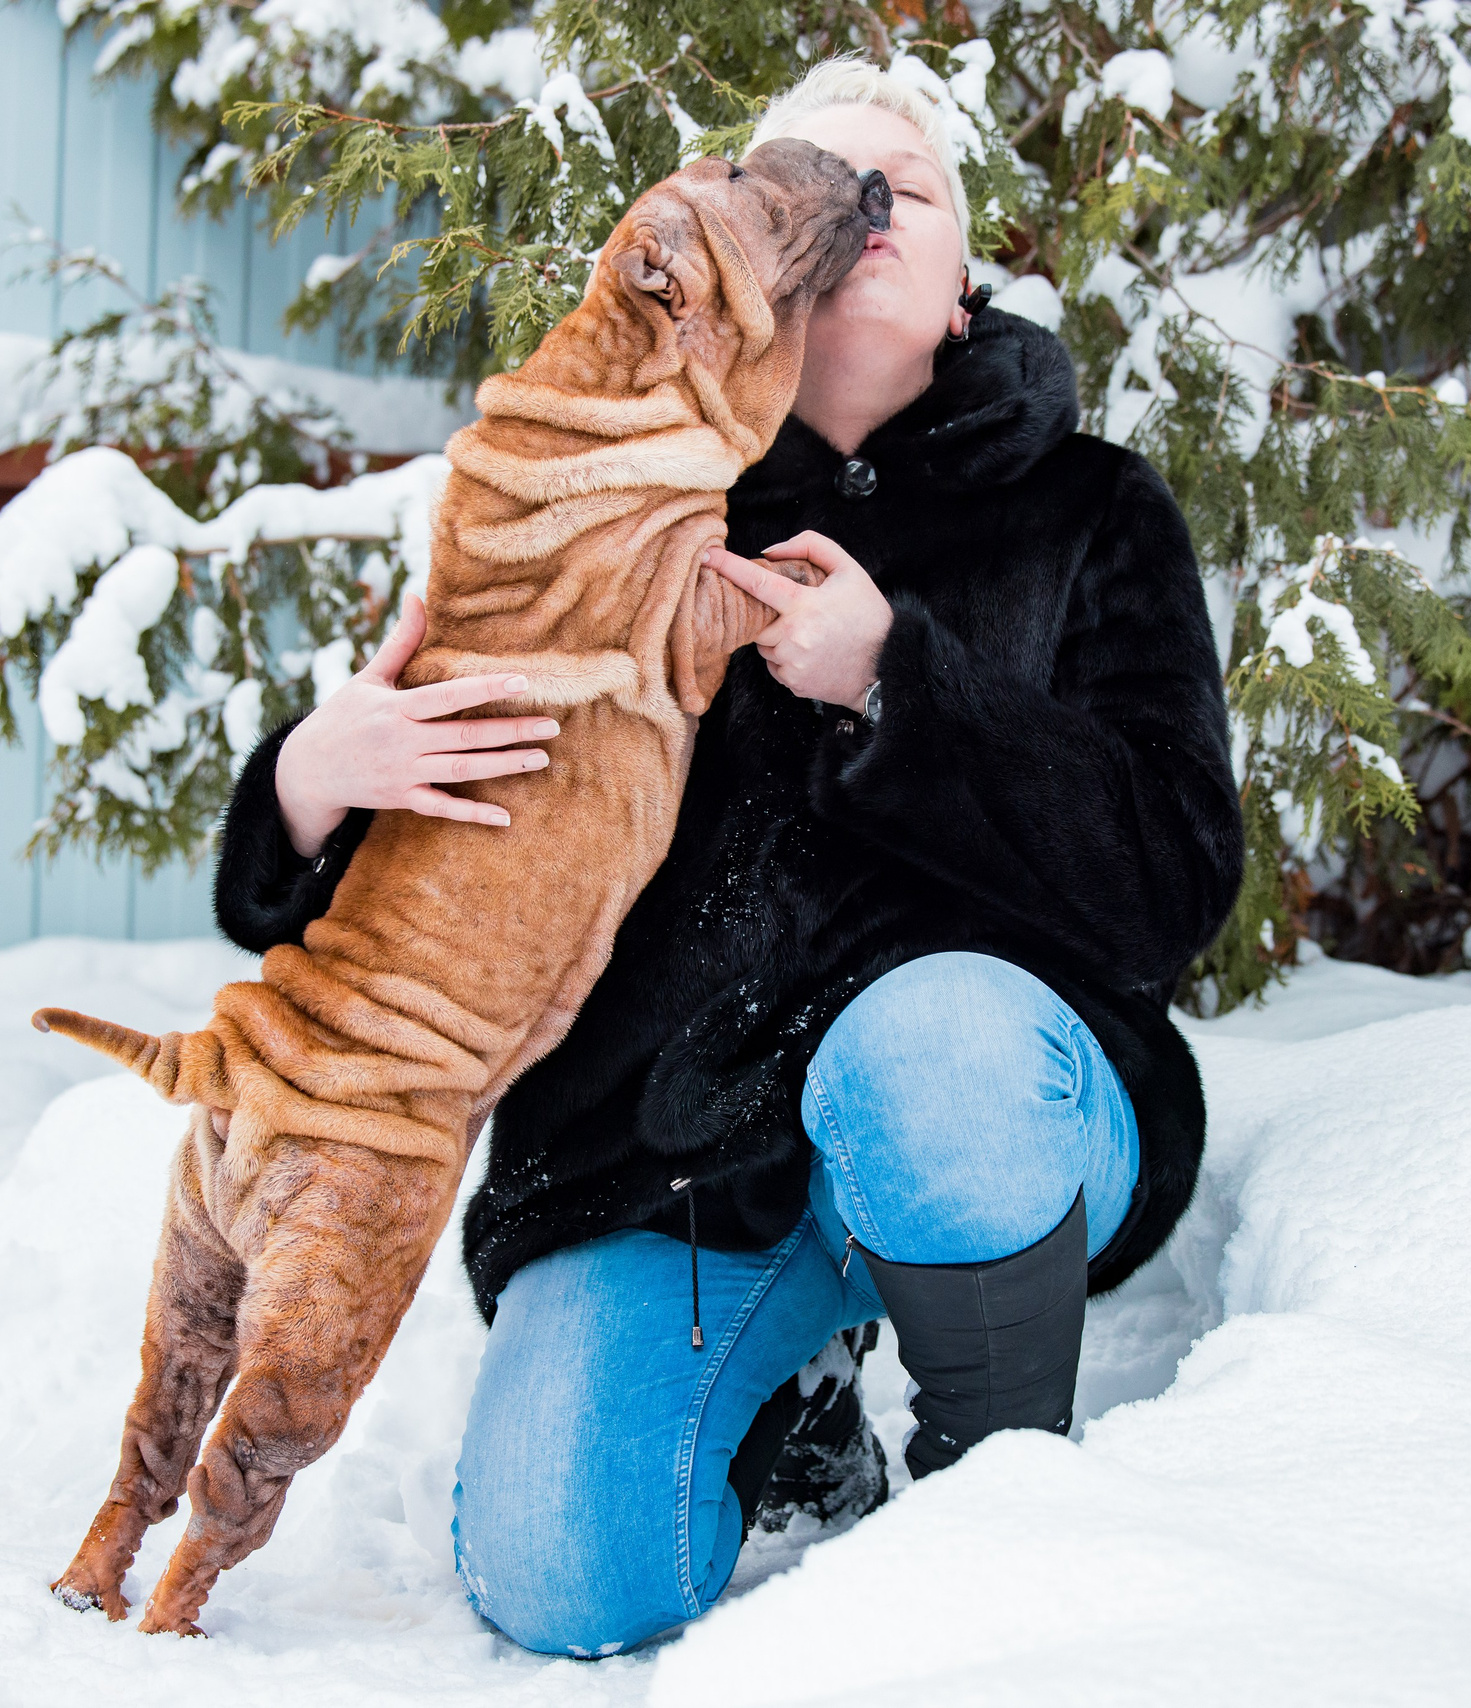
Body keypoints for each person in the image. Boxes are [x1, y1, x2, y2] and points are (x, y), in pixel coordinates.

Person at [211, 56, 1244, 1657]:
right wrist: (309, 785)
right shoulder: (620, 506)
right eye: (818, 180)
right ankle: (799, 1414)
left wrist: (901, 680)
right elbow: (462, 881)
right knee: (561, 1575)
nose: (868, 205)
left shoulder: (1092, 513)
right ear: (743, 268)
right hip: (676, 1160)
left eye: (911, 185)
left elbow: (1172, 880)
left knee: (932, 1046)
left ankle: (1000, 1506)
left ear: (966, 287)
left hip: (987, 1106)